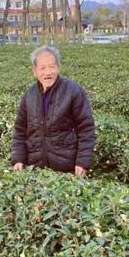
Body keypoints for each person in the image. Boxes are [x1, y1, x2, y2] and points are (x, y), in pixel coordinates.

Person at [11, 45, 95, 176]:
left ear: (58, 67)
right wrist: (18, 158)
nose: (48, 72)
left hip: (67, 169)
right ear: (34, 71)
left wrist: (83, 161)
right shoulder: (29, 95)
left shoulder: (73, 91)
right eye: (42, 68)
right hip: (35, 169)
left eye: (52, 66)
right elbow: (20, 130)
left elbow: (86, 129)